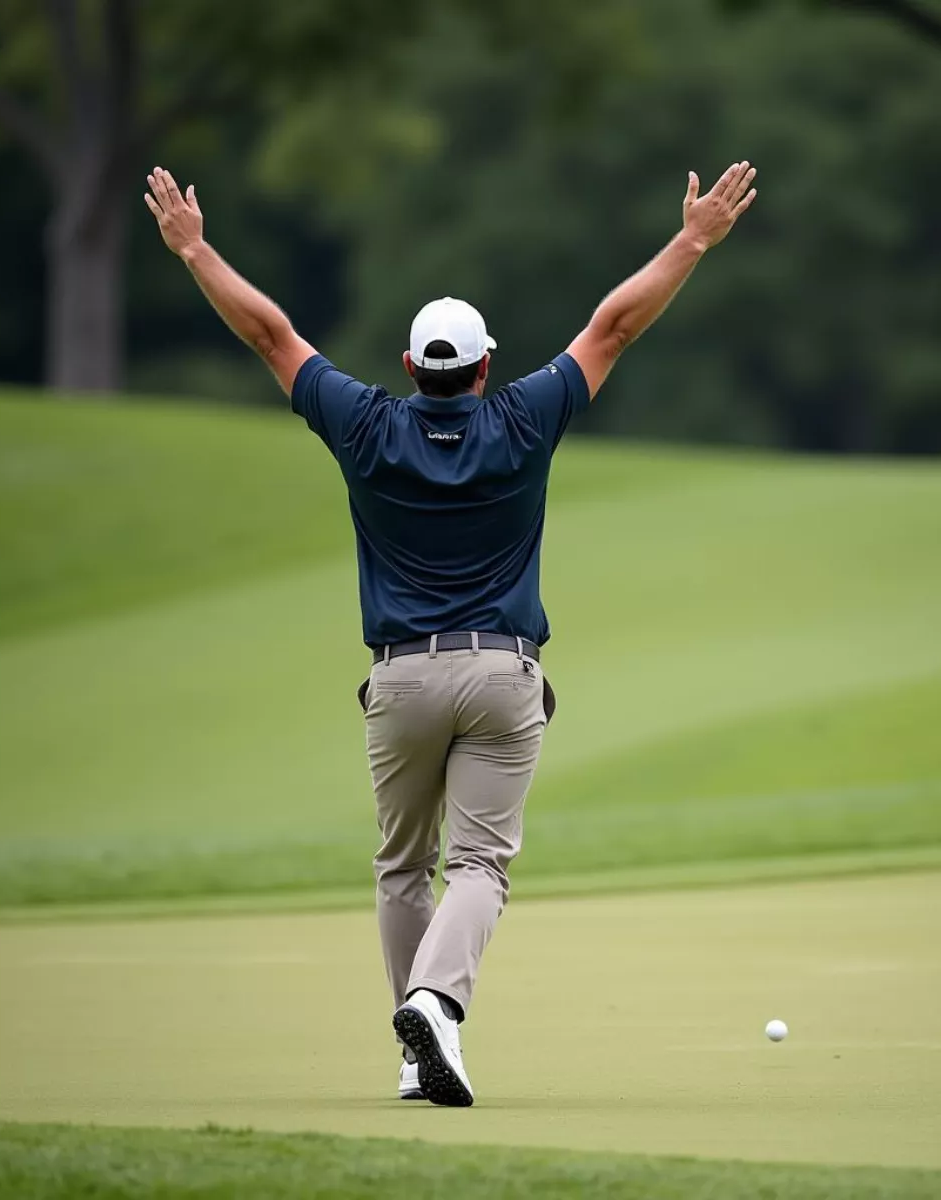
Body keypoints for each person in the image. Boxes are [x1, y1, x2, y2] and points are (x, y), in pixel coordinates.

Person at [143, 159, 758, 1107]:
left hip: (400, 682)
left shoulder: (366, 426)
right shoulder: (523, 418)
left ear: (410, 369)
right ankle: (434, 1005)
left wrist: (193, 248)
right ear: (480, 369)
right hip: (504, 678)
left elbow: (271, 333)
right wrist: (694, 238)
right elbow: (615, 326)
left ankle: (415, 1046)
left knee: (403, 866)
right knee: (478, 864)